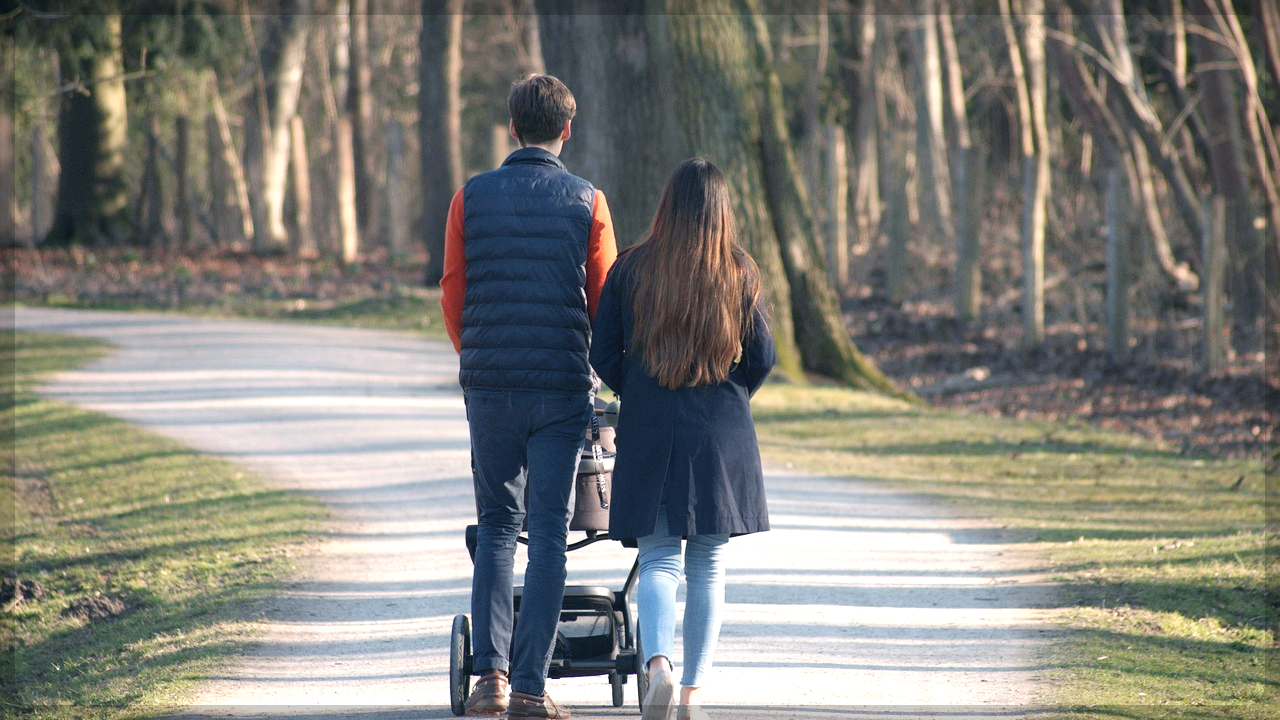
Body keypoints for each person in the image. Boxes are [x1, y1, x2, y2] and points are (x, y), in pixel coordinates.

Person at [440, 73, 618, 720]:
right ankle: (530, 689)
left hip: (490, 387)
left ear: (511, 127)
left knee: (496, 526)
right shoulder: (588, 202)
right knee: (547, 533)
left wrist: (480, 358)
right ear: (566, 131)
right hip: (561, 388)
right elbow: (606, 303)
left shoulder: (470, 198)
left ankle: (487, 677)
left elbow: (453, 295)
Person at [589, 158, 775, 720]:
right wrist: (733, 391)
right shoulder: (739, 272)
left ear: (666, 208)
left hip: (651, 428)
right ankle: (693, 692)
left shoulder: (631, 269)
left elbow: (602, 354)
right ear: (722, 213)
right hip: (719, 433)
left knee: (660, 559)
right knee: (708, 565)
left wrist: (639, 389)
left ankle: (657, 667)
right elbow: (762, 356)